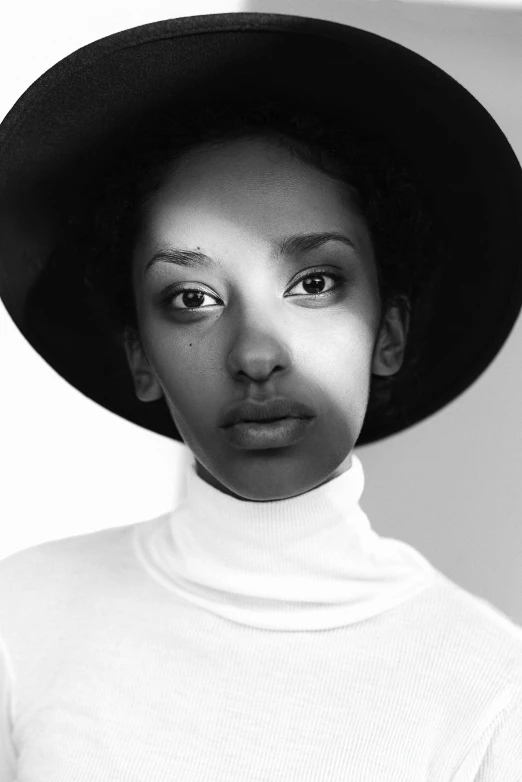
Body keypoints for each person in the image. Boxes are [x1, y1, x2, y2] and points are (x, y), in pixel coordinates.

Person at [0, 12, 521, 781]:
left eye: (314, 283)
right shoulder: (21, 618)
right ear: (141, 358)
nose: (254, 353)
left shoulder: (490, 689)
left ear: (390, 334)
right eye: (191, 298)